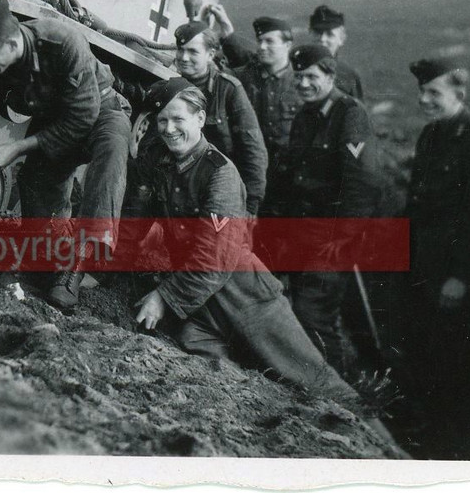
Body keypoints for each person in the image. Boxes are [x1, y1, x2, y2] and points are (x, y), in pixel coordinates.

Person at [125, 77, 366, 408]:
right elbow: (134, 222)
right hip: (201, 305)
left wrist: (163, 298)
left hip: (248, 299)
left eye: (178, 119)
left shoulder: (220, 174)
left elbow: (214, 259)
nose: (168, 129)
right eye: (162, 120)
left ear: (199, 118)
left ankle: (379, 442)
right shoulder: (160, 162)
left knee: (316, 382)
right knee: (214, 371)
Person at [0, 0, 131, 311]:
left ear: (13, 43)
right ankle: (46, 260)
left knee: (111, 154)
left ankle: (78, 266)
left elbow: (82, 117)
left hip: (101, 112)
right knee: (36, 180)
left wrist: (16, 147)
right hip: (55, 119)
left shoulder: (62, 41)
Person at [399, 58, 470, 454]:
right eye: (422, 91)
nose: (423, 99)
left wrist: (461, 276)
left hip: (454, 274)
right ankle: (431, 438)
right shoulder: (431, 135)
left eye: (433, 93)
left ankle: (466, 448)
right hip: (424, 265)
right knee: (425, 353)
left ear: (459, 96)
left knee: (456, 361)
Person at [266, 45, 383, 373]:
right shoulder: (306, 115)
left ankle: (335, 392)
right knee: (302, 310)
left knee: (315, 314)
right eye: (298, 76)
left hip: (333, 233)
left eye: (312, 77)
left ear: (330, 77)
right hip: (303, 228)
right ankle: (311, 380)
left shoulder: (350, 114)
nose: (303, 84)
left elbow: (362, 182)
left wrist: (343, 237)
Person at [158, 21, 267, 217]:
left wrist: (251, 207)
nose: (184, 58)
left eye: (193, 52)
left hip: (218, 186)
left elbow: (253, 150)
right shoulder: (167, 85)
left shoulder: (228, 90)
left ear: (210, 54)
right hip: (173, 187)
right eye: (180, 50)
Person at [228, 17, 302, 191]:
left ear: (287, 45)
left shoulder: (302, 83)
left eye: (269, 41)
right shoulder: (241, 77)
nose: (262, 47)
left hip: (287, 178)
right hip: (246, 173)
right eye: (260, 41)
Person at [308, 5, 364, 100]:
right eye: (318, 32)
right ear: (310, 34)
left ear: (341, 39)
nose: (322, 39)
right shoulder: (295, 71)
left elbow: (357, 112)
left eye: (330, 34)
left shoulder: (348, 76)